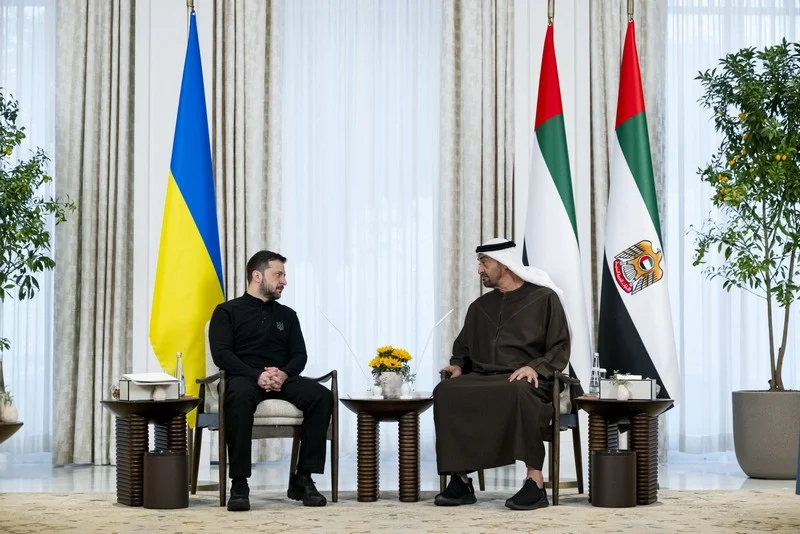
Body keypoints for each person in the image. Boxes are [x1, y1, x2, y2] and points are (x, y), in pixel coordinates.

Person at [433, 238, 571, 511]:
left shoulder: (544, 298)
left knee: (518, 388)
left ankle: (535, 482)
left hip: (529, 378)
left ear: (504, 264)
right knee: (446, 391)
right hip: (484, 377)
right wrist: (458, 366)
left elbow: (560, 346)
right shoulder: (479, 307)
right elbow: (463, 348)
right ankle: (461, 480)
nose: (479, 270)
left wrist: (535, 367)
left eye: (484, 263)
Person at [208, 250, 333, 511]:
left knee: (321, 396)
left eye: (284, 275)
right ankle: (239, 483)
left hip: (282, 378)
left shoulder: (288, 315)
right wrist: (257, 375)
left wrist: (283, 374)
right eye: (278, 275)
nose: (284, 281)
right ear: (257, 276)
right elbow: (222, 355)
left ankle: (303, 478)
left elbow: (300, 355)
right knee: (238, 395)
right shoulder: (226, 311)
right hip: (244, 377)